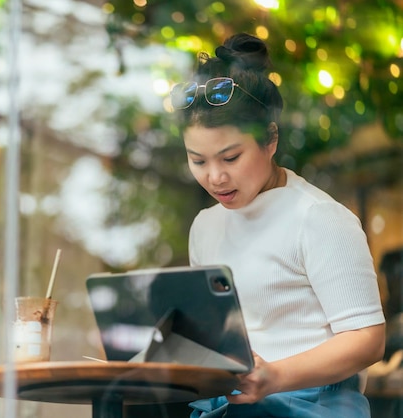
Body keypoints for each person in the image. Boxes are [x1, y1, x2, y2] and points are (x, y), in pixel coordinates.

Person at [171, 33, 386, 418]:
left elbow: (368, 340)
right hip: (231, 405)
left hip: (313, 406)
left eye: (231, 157)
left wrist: (274, 377)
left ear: (270, 140)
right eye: (198, 161)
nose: (215, 177)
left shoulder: (319, 218)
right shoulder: (205, 227)